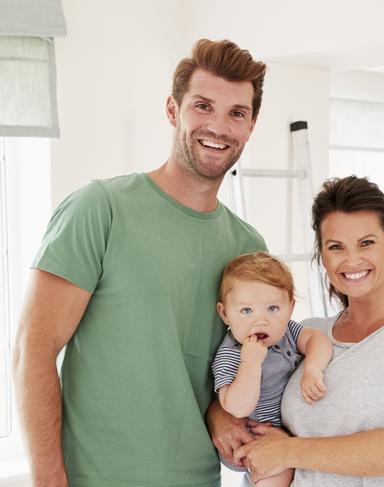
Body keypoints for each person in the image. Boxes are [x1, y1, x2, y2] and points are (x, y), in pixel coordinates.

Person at [12, 39, 267, 487]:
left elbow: (218, 366)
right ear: (173, 110)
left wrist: (216, 414)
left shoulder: (248, 247)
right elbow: (32, 351)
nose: (219, 126)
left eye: (236, 113)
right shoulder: (99, 209)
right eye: (202, 106)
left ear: (250, 126)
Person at [212, 176, 384, 486]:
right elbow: (247, 387)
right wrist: (218, 418)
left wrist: (290, 452)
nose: (351, 259)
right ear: (323, 257)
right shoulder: (305, 335)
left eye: (366, 242)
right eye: (336, 247)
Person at [212, 251, 333, 486]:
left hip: (295, 434)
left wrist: (313, 369)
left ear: (290, 307)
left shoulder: (286, 331)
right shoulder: (231, 354)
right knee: (275, 478)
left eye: (273, 308)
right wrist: (250, 364)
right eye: (246, 311)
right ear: (225, 313)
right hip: (258, 438)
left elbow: (317, 340)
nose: (261, 321)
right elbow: (237, 407)